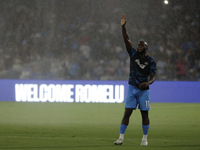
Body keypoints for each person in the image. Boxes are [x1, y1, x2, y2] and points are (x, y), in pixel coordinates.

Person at [114, 13, 156, 146]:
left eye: (141, 45)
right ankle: (120, 138)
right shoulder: (133, 54)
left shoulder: (150, 61)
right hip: (132, 88)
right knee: (127, 113)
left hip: (144, 91)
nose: (138, 46)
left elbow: (153, 77)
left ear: (146, 48)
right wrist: (123, 27)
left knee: (145, 115)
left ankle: (144, 139)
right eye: (138, 45)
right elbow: (127, 40)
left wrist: (148, 83)